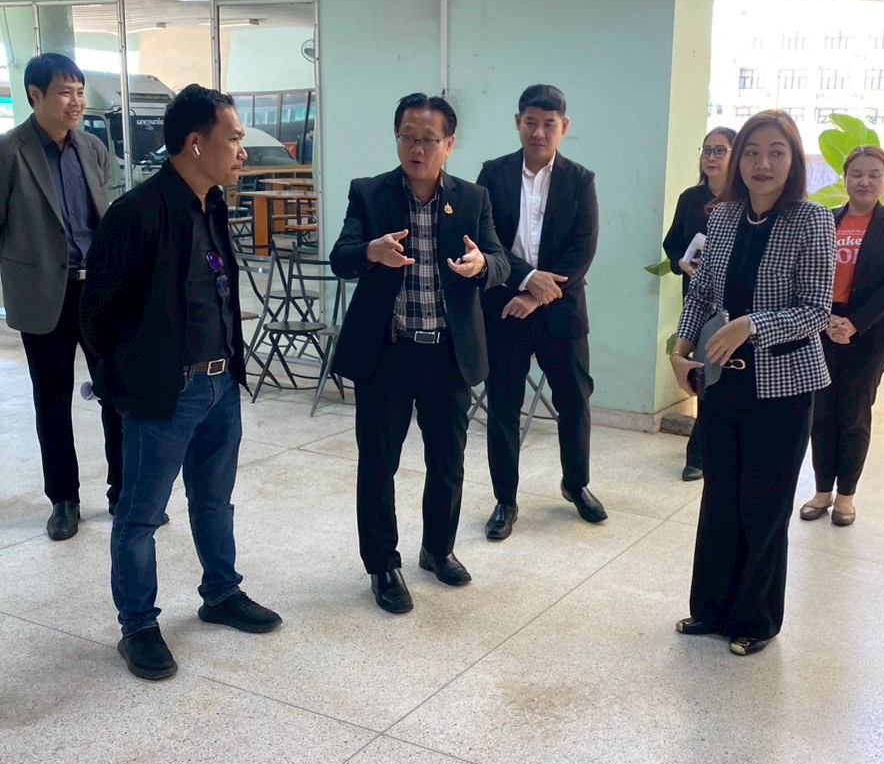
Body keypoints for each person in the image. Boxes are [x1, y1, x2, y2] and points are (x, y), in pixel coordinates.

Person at [81, 84, 282, 681]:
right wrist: (124, 386)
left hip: (220, 385)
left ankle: (221, 592)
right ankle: (138, 626)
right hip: (164, 394)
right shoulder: (137, 213)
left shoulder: (211, 203)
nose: (242, 151)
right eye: (234, 139)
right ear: (196, 143)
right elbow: (98, 316)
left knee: (214, 500)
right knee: (140, 514)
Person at [329, 93, 509, 613]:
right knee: (378, 463)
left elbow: (500, 261)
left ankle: (438, 549)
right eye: (408, 136)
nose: (417, 148)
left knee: (447, 460)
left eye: (429, 139)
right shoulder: (369, 193)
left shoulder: (473, 198)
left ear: (449, 144)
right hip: (387, 352)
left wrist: (482, 266)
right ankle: (382, 565)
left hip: (447, 354)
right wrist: (371, 251)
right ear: (397, 138)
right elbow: (341, 256)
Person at [670, 111, 834, 657]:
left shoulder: (812, 220)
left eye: (777, 152)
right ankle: (710, 609)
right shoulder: (722, 216)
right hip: (721, 382)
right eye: (753, 152)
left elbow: (815, 309)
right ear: (738, 160)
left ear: (793, 161)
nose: (763, 163)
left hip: (782, 388)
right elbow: (702, 292)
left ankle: (756, 620)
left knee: (763, 505)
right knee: (719, 497)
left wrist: (751, 325)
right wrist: (681, 350)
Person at [0, 53, 123, 540]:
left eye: (80, 92)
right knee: (52, 401)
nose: (76, 102)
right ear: (35, 95)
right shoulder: (9, 152)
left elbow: (102, 218)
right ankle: (64, 500)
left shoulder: (92, 148)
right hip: (43, 295)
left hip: (98, 292)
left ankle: (124, 490)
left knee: (117, 392)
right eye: (65, 92)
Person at [476, 84, 604, 540]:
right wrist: (527, 279)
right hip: (504, 309)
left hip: (560, 313)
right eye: (531, 122)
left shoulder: (580, 180)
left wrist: (536, 294)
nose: (539, 132)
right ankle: (505, 500)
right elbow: (487, 240)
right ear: (518, 123)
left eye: (549, 124)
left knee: (574, 401)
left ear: (563, 127)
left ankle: (576, 484)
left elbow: (582, 251)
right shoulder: (493, 174)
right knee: (503, 408)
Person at [799, 146, 884, 526]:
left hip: (867, 332)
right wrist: (826, 318)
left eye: (873, 175)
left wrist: (854, 323)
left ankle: (846, 495)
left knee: (854, 415)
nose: (864, 181)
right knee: (821, 413)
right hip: (822, 326)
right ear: (845, 178)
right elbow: (809, 271)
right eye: (857, 174)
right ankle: (822, 490)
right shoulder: (826, 220)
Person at [662, 126, 736, 482]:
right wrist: (681, 262)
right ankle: (698, 454)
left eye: (720, 150)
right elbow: (673, 243)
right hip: (697, 295)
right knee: (703, 368)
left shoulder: (743, 199)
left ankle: (718, 446)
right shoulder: (690, 198)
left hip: (734, 300)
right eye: (707, 150)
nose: (711, 157)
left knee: (726, 370)